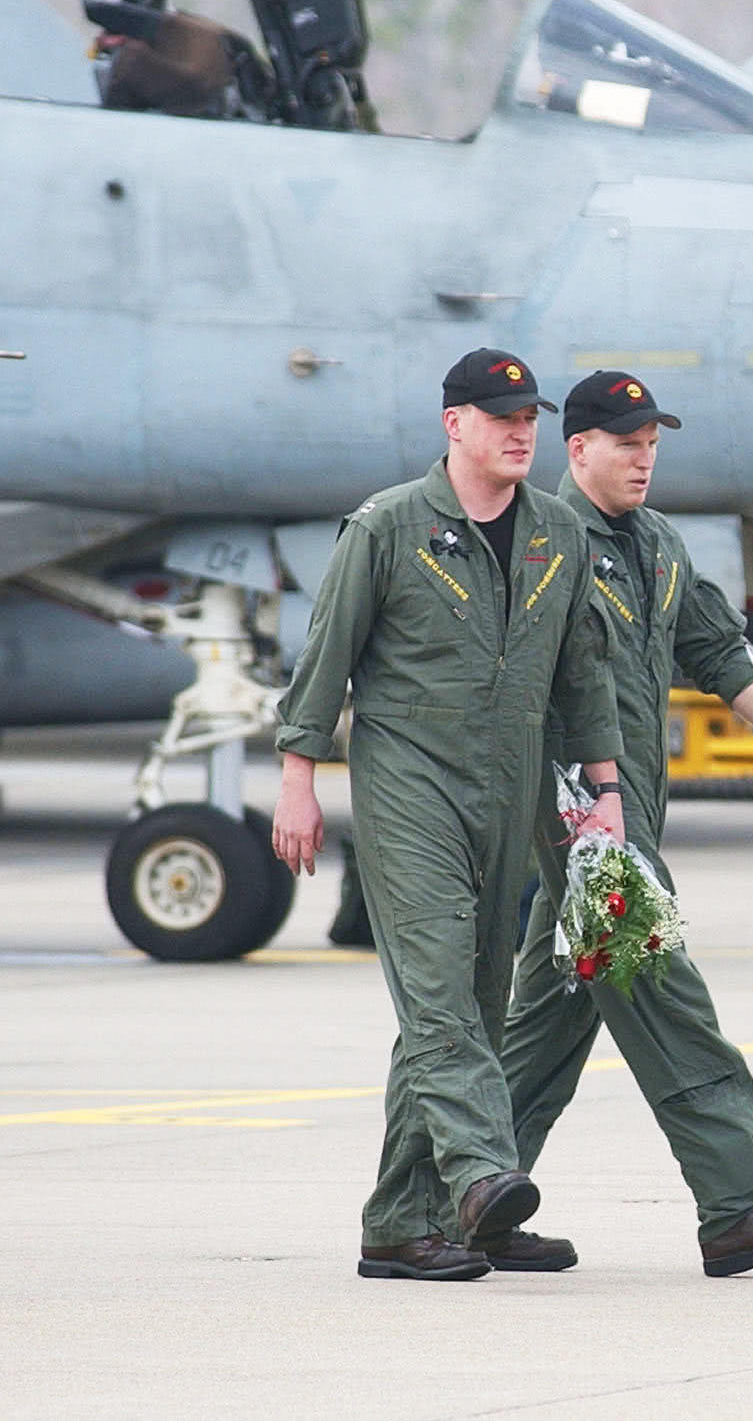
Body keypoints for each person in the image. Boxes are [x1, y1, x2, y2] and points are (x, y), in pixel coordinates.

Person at [271, 347, 624, 1282]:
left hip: (509, 784)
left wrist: (605, 795)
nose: (519, 431)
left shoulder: (557, 531)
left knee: (472, 1000)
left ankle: (399, 1220)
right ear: (453, 423)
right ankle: (479, 1177)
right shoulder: (387, 525)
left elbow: (582, 674)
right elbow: (327, 655)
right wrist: (298, 779)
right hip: (407, 779)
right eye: (499, 415)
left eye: (529, 418)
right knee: (435, 988)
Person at [493, 371, 753, 1275]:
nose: (644, 458)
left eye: (653, 442)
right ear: (577, 450)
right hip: (578, 815)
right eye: (626, 443)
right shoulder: (542, 541)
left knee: (550, 1017)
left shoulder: (658, 543)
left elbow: (717, 653)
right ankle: (737, 1205)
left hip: (633, 804)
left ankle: (453, 1197)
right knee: (661, 989)